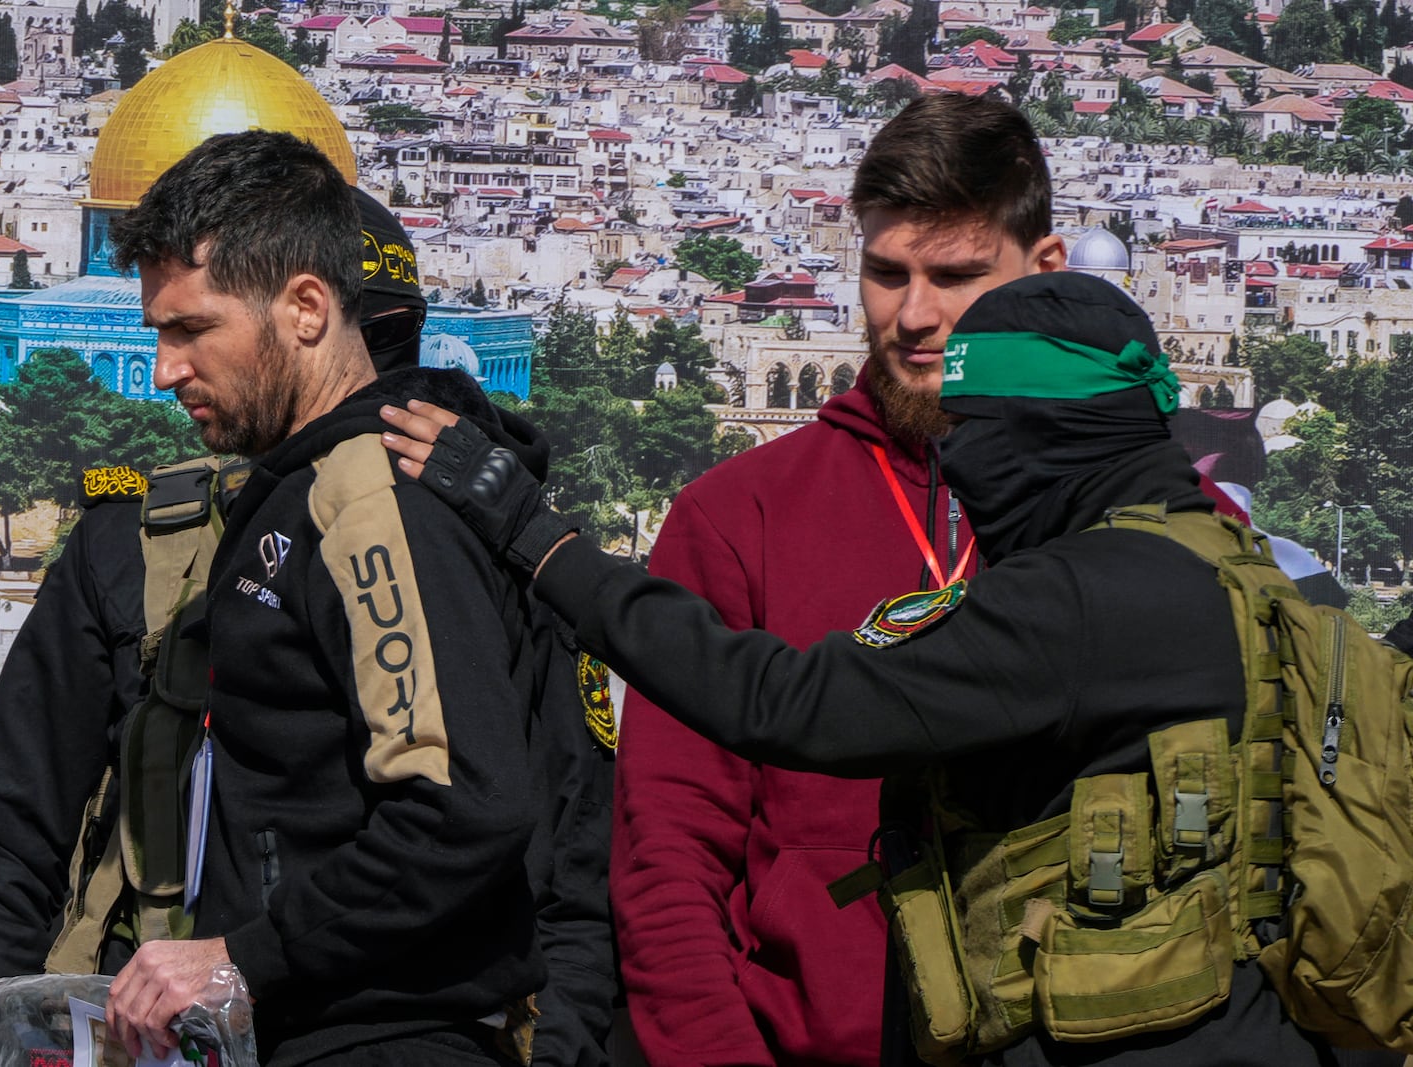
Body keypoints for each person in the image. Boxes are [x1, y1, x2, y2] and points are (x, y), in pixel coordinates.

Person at [379, 270, 1344, 1066]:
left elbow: (790, 701)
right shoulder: (1235, 571)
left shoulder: (1077, 601)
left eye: (977, 433)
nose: (958, 470)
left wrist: (542, 543)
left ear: (1049, 434)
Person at [0, 181, 614, 1067]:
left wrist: (245, 956)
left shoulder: (420, 521)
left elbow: (533, 843)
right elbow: (18, 843)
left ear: (313, 315)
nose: (169, 369)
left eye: (192, 330)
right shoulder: (152, 544)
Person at [608, 92, 1064, 1067]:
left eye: (956, 275)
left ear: (1043, 271)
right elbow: (667, 862)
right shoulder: (736, 520)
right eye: (885, 272)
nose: (913, 315)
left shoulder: (1128, 526)